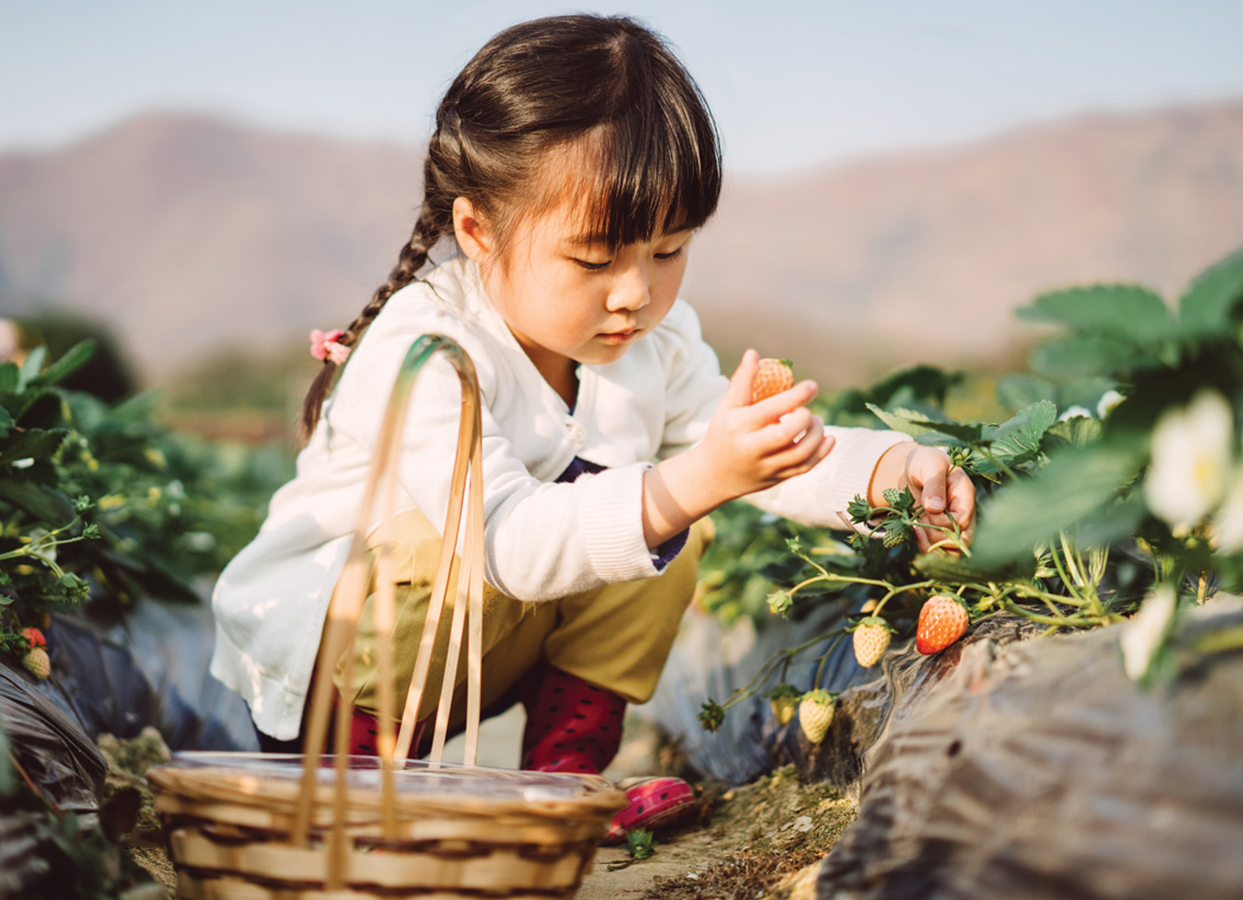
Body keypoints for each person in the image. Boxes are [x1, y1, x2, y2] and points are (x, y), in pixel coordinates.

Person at [210, 14, 976, 840]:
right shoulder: (425, 351)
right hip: (339, 684)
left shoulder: (656, 345)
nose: (634, 294)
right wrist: (693, 480)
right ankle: (349, 791)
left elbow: (781, 459)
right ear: (478, 231)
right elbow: (501, 542)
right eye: (594, 259)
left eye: (668, 249)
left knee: (666, 540)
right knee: (560, 521)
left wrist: (888, 470)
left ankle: (564, 783)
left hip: (478, 656)